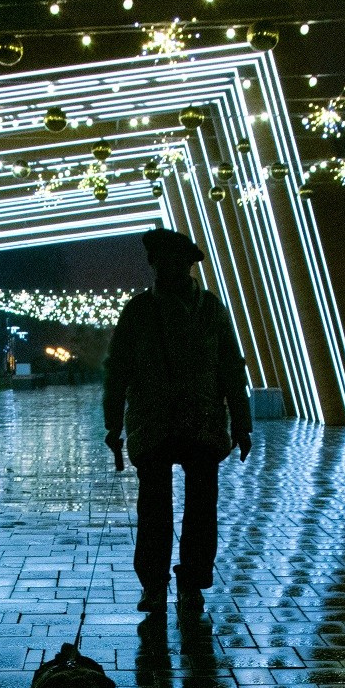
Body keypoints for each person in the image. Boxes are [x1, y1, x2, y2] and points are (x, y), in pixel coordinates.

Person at [104, 228, 252, 614]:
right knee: (154, 508)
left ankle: (192, 582)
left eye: (175, 262)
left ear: (188, 265)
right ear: (154, 265)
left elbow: (231, 367)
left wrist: (241, 422)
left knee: (202, 509)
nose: (166, 269)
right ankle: (153, 584)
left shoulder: (210, 308)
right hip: (153, 424)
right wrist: (112, 424)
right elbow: (117, 369)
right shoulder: (138, 311)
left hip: (202, 420)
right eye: (160, 262)